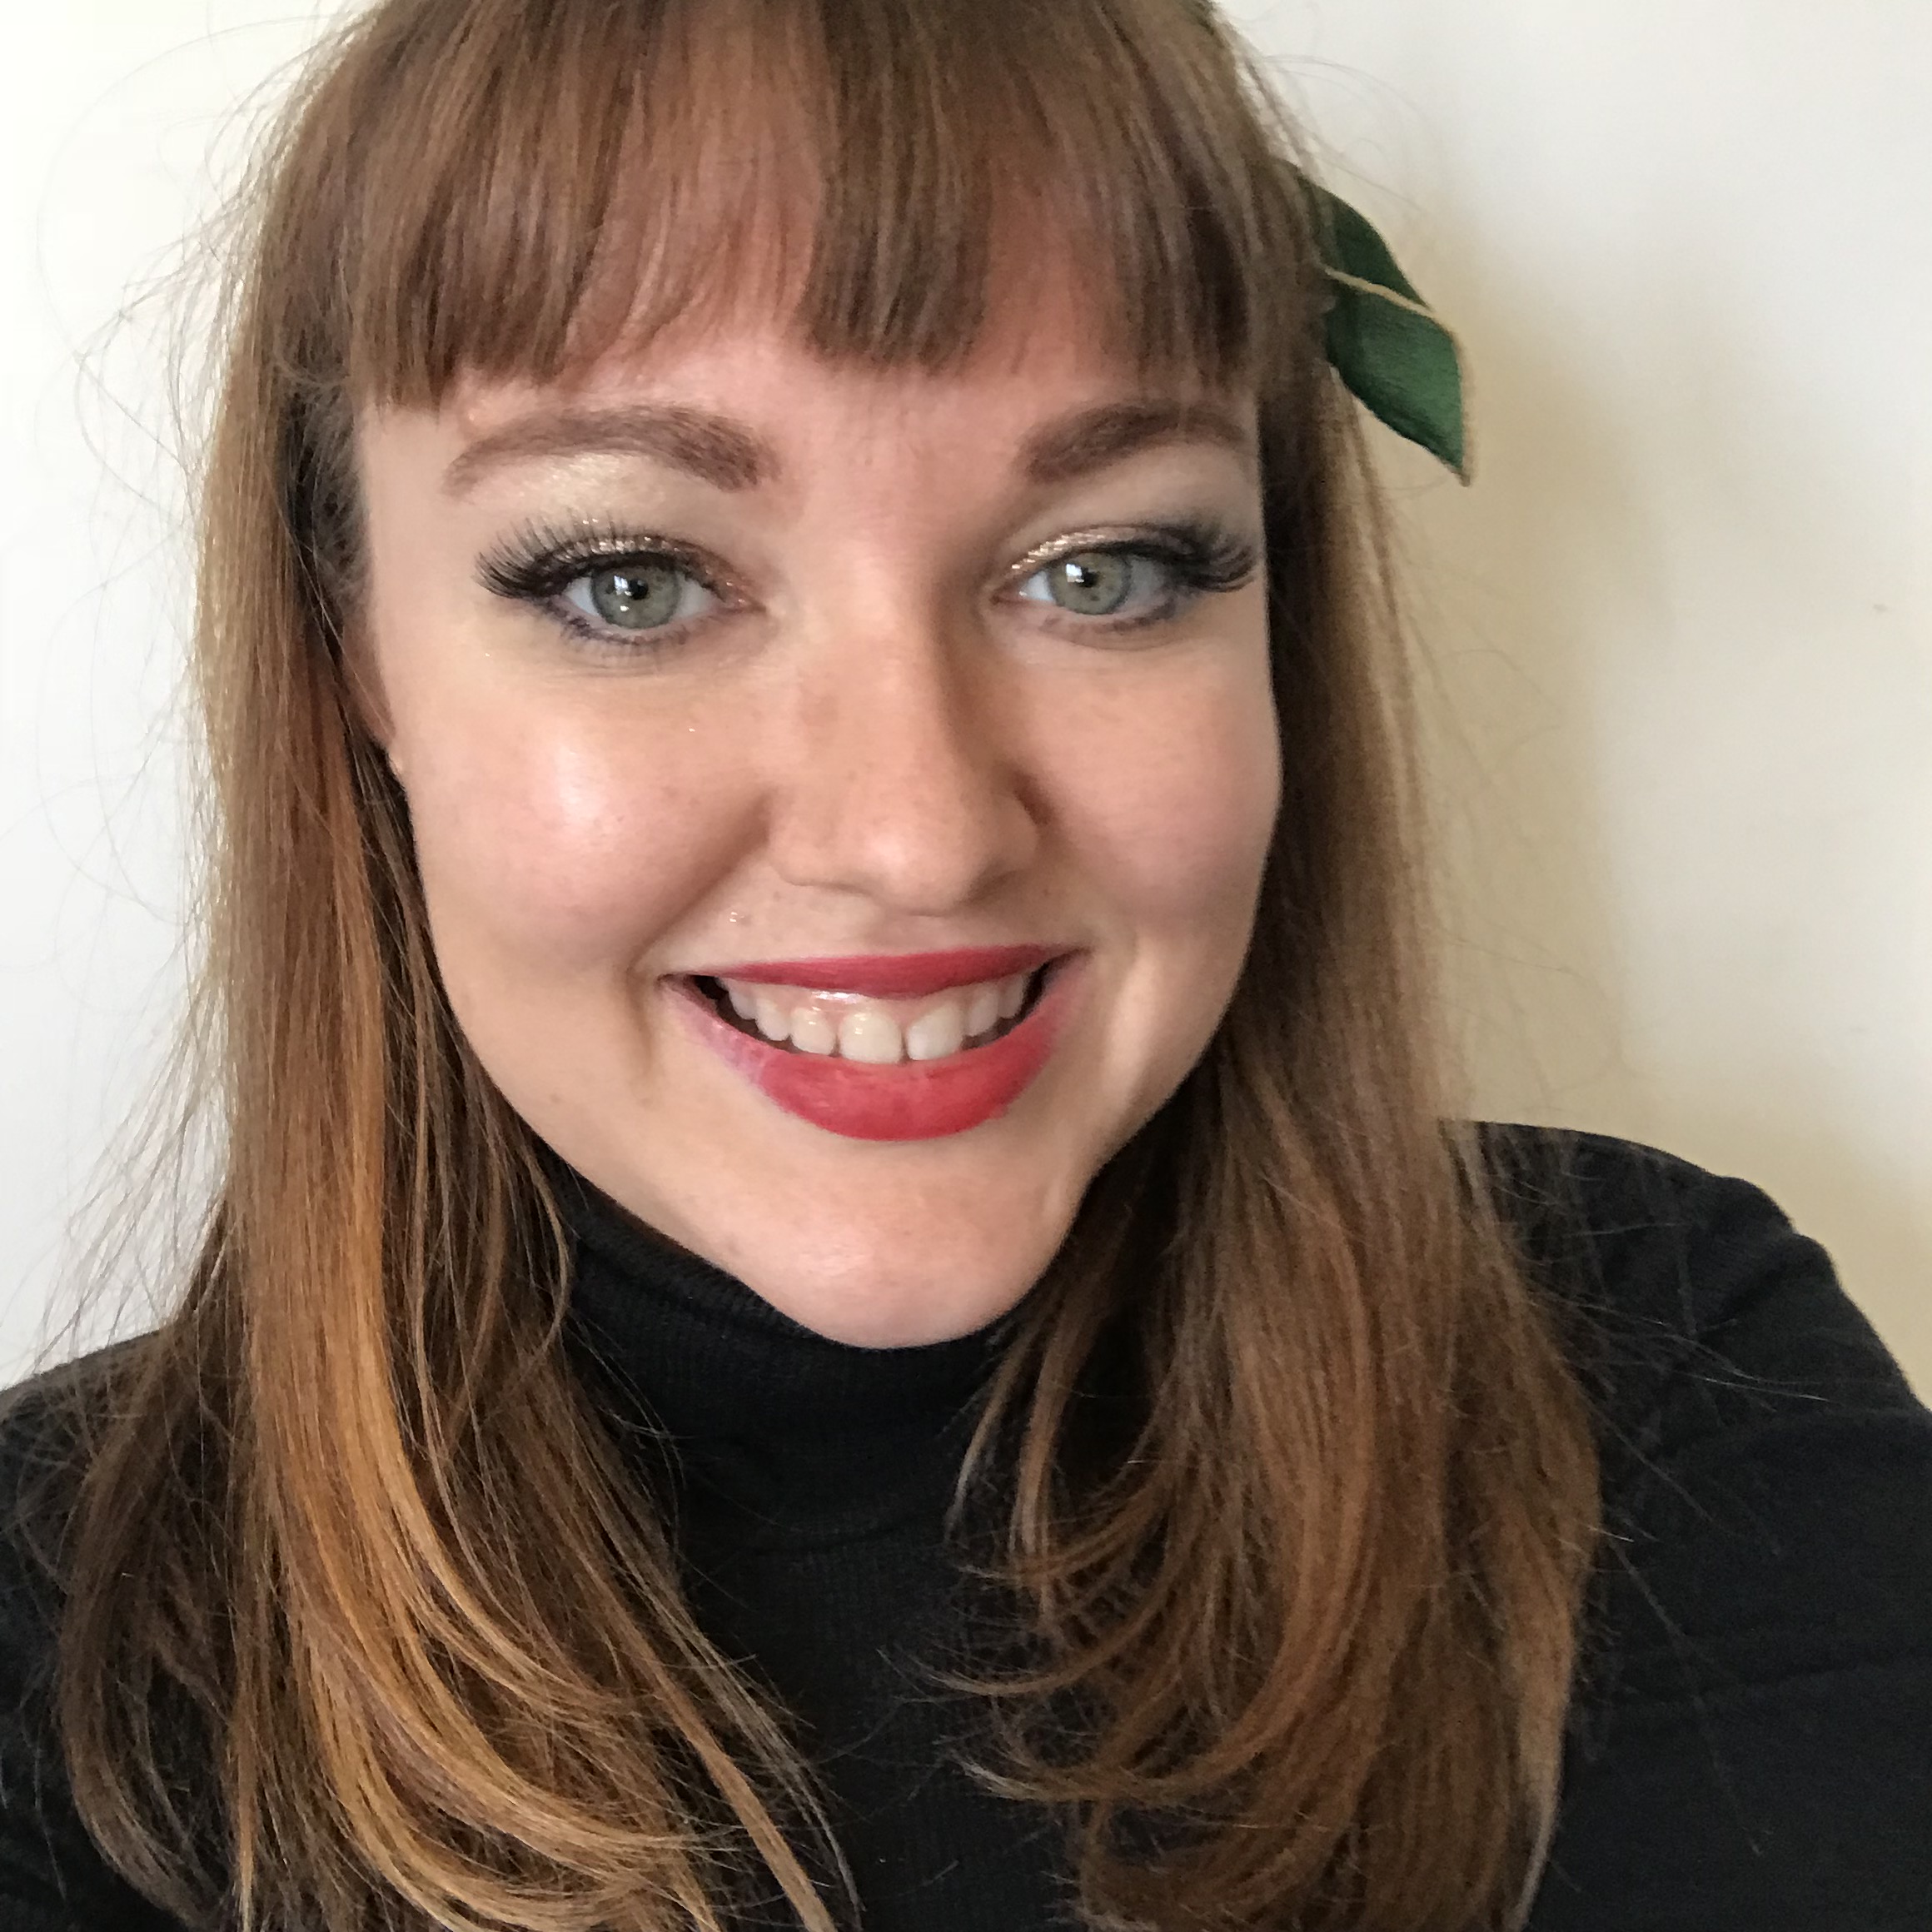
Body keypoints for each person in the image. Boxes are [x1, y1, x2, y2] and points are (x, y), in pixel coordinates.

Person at [1, 1, 1925, 1928]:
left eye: (1101, 567)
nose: (916, 831)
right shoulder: (49, 1639)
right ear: (355, 659)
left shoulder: (1650, 1382)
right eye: (631, 581)